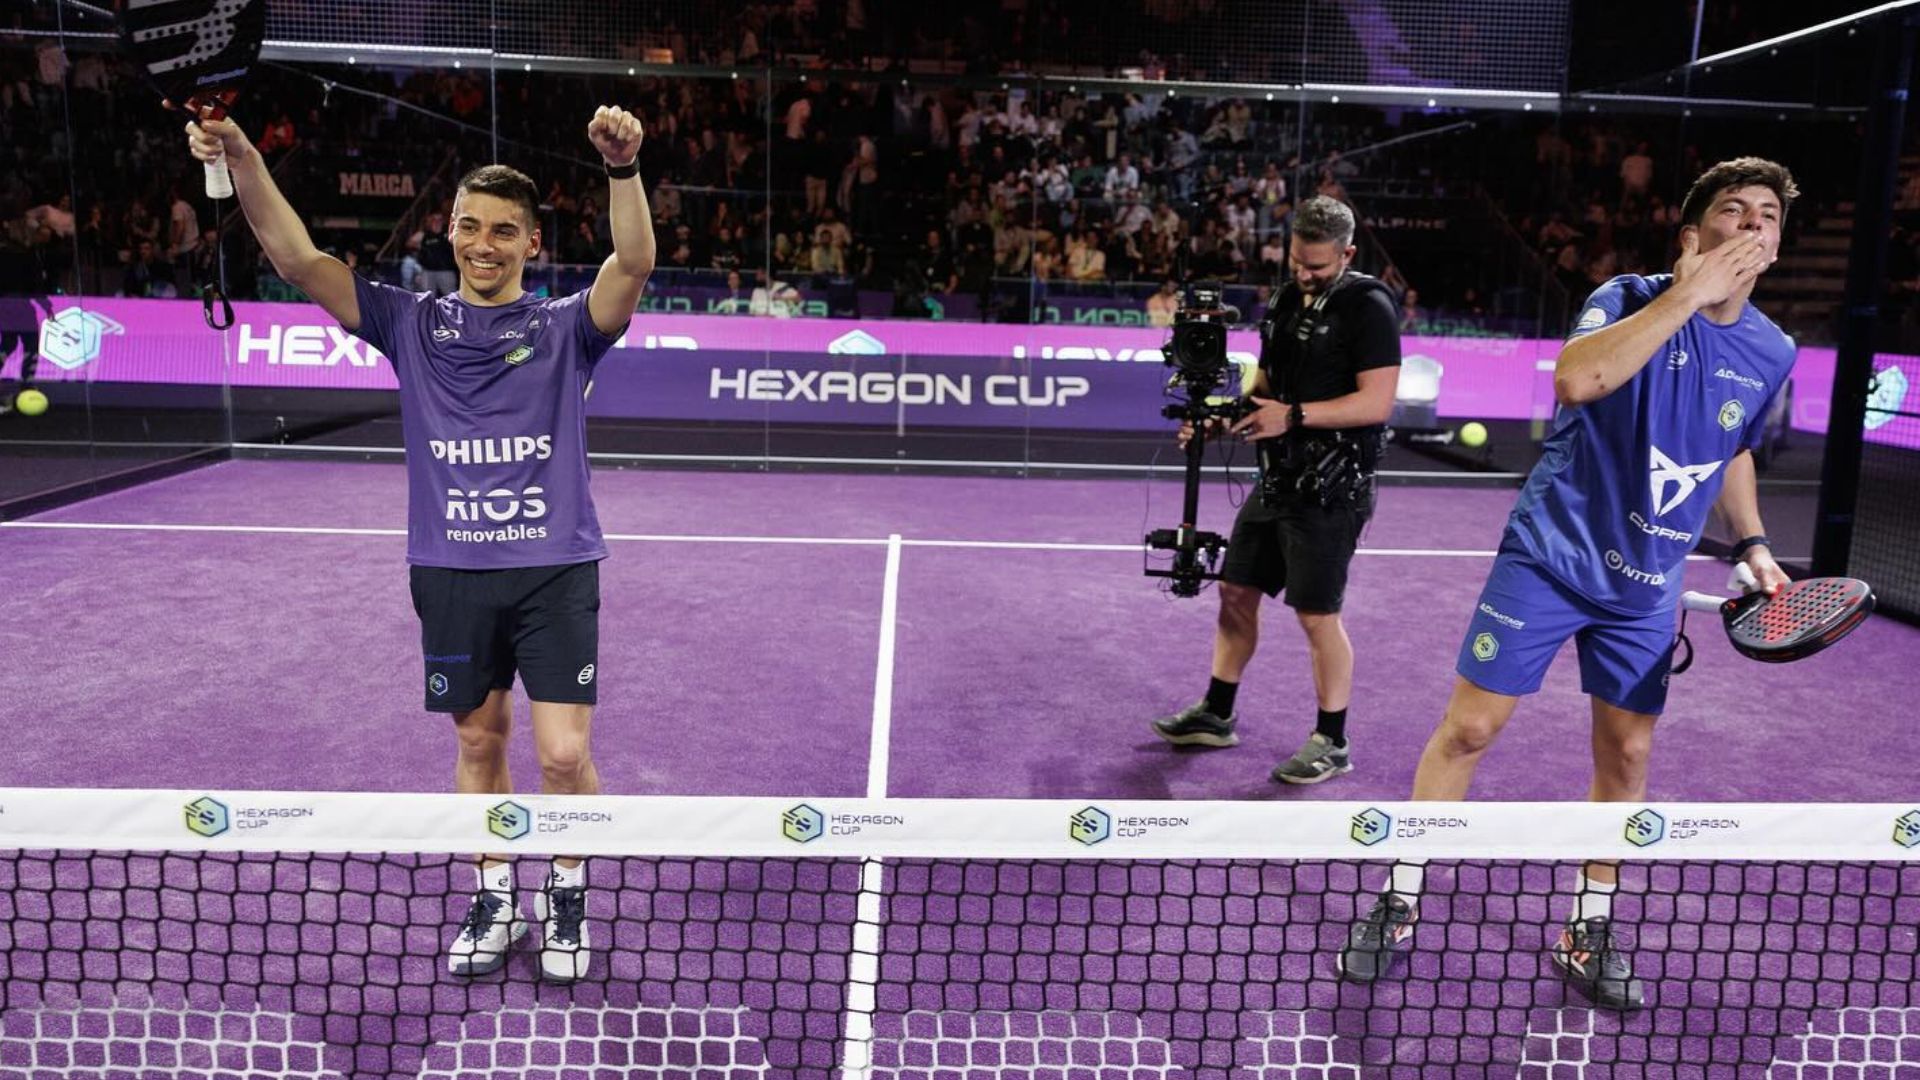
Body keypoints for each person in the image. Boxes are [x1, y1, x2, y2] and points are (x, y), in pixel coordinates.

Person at [186, 104, 655, 983]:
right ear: (450, 231)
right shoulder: (410, 322)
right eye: (470, 226)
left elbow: (631, 263)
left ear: (532, 242)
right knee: (479, 743)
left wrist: (622, 169)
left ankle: (566, 891)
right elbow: (296, 259)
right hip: (450, 570)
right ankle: (494, 894)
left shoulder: (566, 329)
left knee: (563, 755)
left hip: (554, 569)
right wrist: (244, 154)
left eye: (504, 231)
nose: (485, 244)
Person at [1336, 158, 1798, 1013]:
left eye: (1767, 215)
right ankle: (1399, 898)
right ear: (1692, 234)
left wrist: (1755, 541)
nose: (1753, 225)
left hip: (1648, 583)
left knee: (1627, 755)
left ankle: (1588, 926)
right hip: (1552, 553)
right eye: (1734, 210)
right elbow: (1578, 381)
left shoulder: (1774, 349)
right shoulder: (1627, 297)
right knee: (1470, 729)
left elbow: (1731, 446)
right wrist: (1690, 295)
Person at [1152, 195, 1401, 785]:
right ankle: (1217, 713)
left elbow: (1376, 403)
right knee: (1236, 591)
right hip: (1277, 478)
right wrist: (1221, 419)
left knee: (1317, 615)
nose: (1304, 274)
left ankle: (1332, 741)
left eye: (1316, 266)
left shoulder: (1370, 306)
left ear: (1347, 254)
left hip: (1332, 487)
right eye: (1296, 262)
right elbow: (1265, 385)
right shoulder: (1287, 298)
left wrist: (1291, 416)